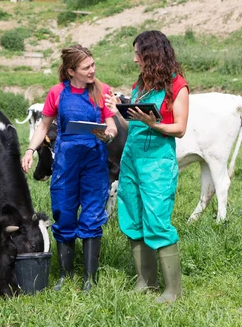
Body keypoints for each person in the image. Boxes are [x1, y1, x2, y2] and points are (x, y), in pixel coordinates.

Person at [21, 44, 117, 292]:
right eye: (87, 67)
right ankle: (65, 275)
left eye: (93, 65)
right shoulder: (57, 93)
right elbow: (43, 127)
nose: (92, 70)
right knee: (63, 214)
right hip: (65, 163)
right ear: (71, 71)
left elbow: (112, 126)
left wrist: (108, 135)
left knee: (93, 215)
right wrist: (30, 150)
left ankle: (89, 279)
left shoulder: (102, 91)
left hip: (95, 161)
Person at [105, 30, 189, 303]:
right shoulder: (139, 85)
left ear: (152, 55)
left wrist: (154, 124)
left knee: (156, 219)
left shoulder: (177, 86)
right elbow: (135, 126)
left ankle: (173, 291)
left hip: (157, 162)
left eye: (138, 54)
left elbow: (180, 128)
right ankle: (146, 281)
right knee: (132, 217)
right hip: (131, 159)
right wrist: (121, 111)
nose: (134, 59)